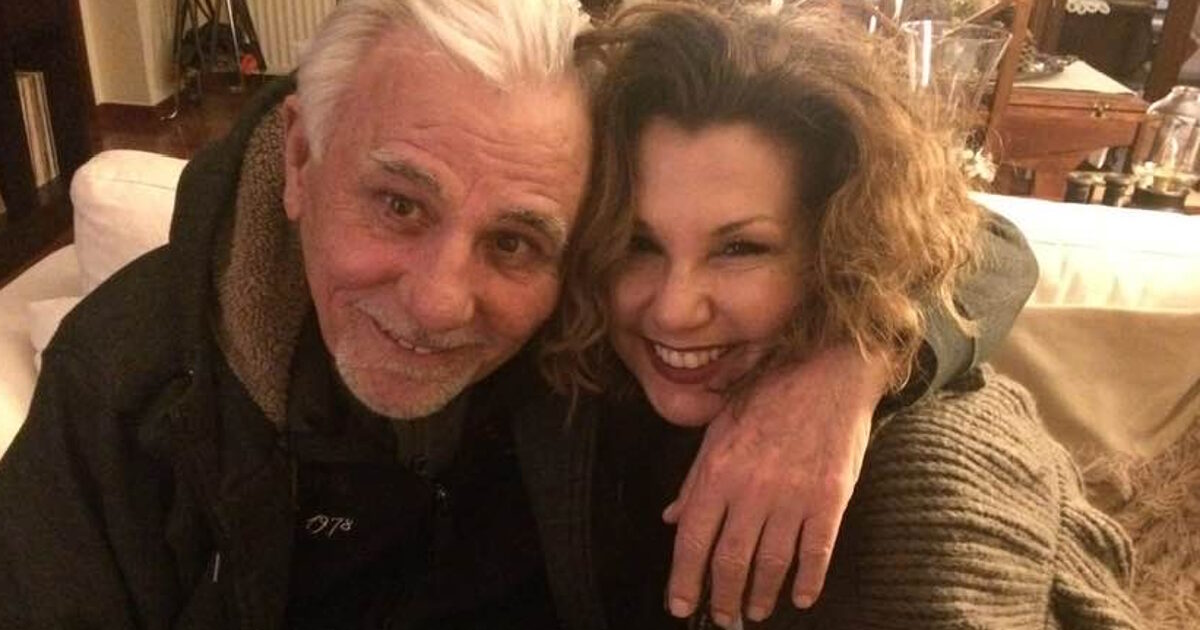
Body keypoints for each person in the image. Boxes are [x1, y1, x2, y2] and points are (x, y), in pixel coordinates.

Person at [0, 0, 1033, 627]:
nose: (439, 302)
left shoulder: (601, 337)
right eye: (398, 205)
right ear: (302, 163)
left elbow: (963, 242)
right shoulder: (127, 379)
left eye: (515, 241)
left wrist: (852, 363)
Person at [536, 1, 1143, 628]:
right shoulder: (566, 361)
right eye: (638, 244)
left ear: (843, 246)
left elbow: (983, 244)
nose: (674, 308)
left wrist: (859, 360)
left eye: (740, 249)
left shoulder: (927, 485)